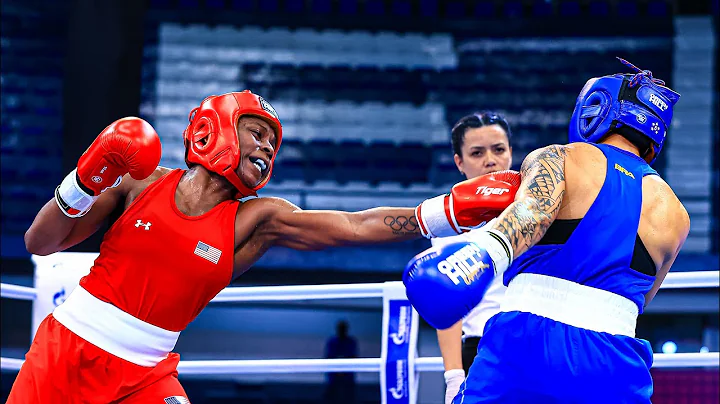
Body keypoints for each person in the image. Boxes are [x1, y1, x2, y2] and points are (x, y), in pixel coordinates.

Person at [10, 90, 519, 403]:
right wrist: (88, 174)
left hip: (148, 371)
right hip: (68, 349)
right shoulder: (138, 183)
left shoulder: (255, 218)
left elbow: (356, 225)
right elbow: (41, 241)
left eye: (273, 143)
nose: (266, 147)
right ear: (215, 128)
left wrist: (448, 211)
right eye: (256, 132)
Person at [404, 58, 689, 403]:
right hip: (617, 361)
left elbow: (531, 213)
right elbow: (641, 298)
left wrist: (483, 253)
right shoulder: (677, 216)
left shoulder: (562, 157)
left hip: (529, 342)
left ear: (597, 107)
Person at [430, 112, 515, 404]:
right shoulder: (447, 230)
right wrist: (454, 376)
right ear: (459, 162)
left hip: (539, 344)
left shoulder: (544, 213)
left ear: (511, 153)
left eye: (498, 149)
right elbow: (447, 308)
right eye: (477, 153)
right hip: (481, 351)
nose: (490, 160)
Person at [324, 320, 358, 403]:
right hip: (334, 375)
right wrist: (337, 368)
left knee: (349, 396)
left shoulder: (351, 342)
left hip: (348, 375)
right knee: (332, 397)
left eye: (343, 329)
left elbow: (353, 357)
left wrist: (344, 368)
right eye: (340, 328)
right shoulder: (332, 342)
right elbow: (329, 357)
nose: (342, 330)